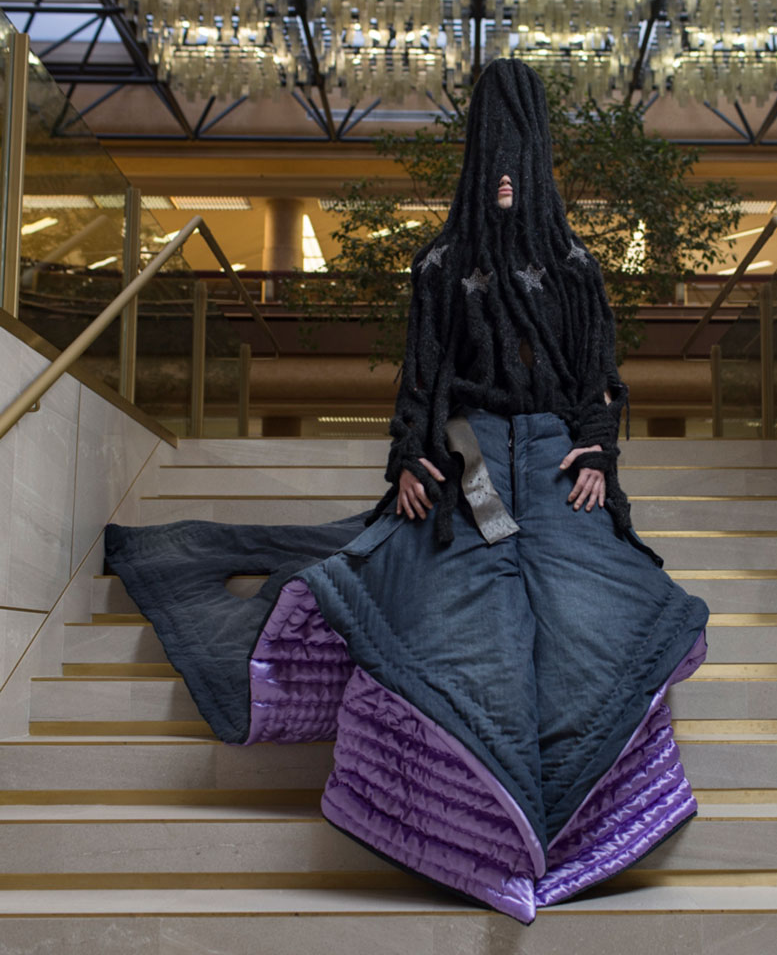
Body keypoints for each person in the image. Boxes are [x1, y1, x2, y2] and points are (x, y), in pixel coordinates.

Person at [104, 57, 709, 925]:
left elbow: (598, 379)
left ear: (535, 158)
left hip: (550, 461)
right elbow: (422, 383)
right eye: (490, 152)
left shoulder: (574, 267)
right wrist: (412, 461)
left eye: (518, 153)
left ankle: (575, 818)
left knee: (592, 607)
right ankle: (474, 819)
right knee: (462, 612)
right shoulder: (441, 266)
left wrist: (598, 453)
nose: (503, 172)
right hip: (467, 457)